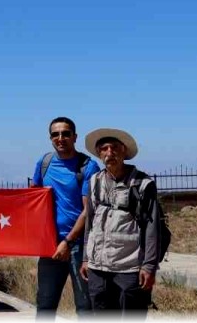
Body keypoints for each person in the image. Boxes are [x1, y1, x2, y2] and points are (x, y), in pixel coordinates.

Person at [80, 128, 161, 316]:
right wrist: (85, 257)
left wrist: (149, 266)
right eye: (104, 148)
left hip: (129, 266)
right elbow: (89, 222)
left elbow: (152, 228)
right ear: (99, 154)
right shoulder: (94, 181)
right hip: (97, 267)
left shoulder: (143, 184)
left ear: (124, 151)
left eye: (114, 147)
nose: (110, 153)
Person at [31, 117, 99, 318]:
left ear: (75, 137)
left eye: (66, 134)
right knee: (45, 305)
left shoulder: (87, 166)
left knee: (85, 306)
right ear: (50, 138)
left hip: (79, 246)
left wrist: (67, 242)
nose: (60, 138)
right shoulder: (44, 163)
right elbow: (33, 199)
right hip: (49, 245)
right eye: (55, 134)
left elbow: (88, 211)